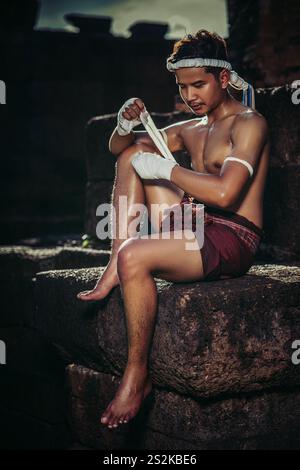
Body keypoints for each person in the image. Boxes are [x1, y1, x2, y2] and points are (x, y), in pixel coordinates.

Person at [77, 30, 269, 429]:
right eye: (183, 87)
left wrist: (168, 169)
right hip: (194, 222)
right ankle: (115, 259)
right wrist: (124, 126)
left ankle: (137, 375)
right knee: (135, 154)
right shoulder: (191, 129)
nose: (190, 95)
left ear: (221, 78)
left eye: (198, 84)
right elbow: (121, 152)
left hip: (232, 236)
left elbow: (226, 193)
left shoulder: (249, 124)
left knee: (137, 255)